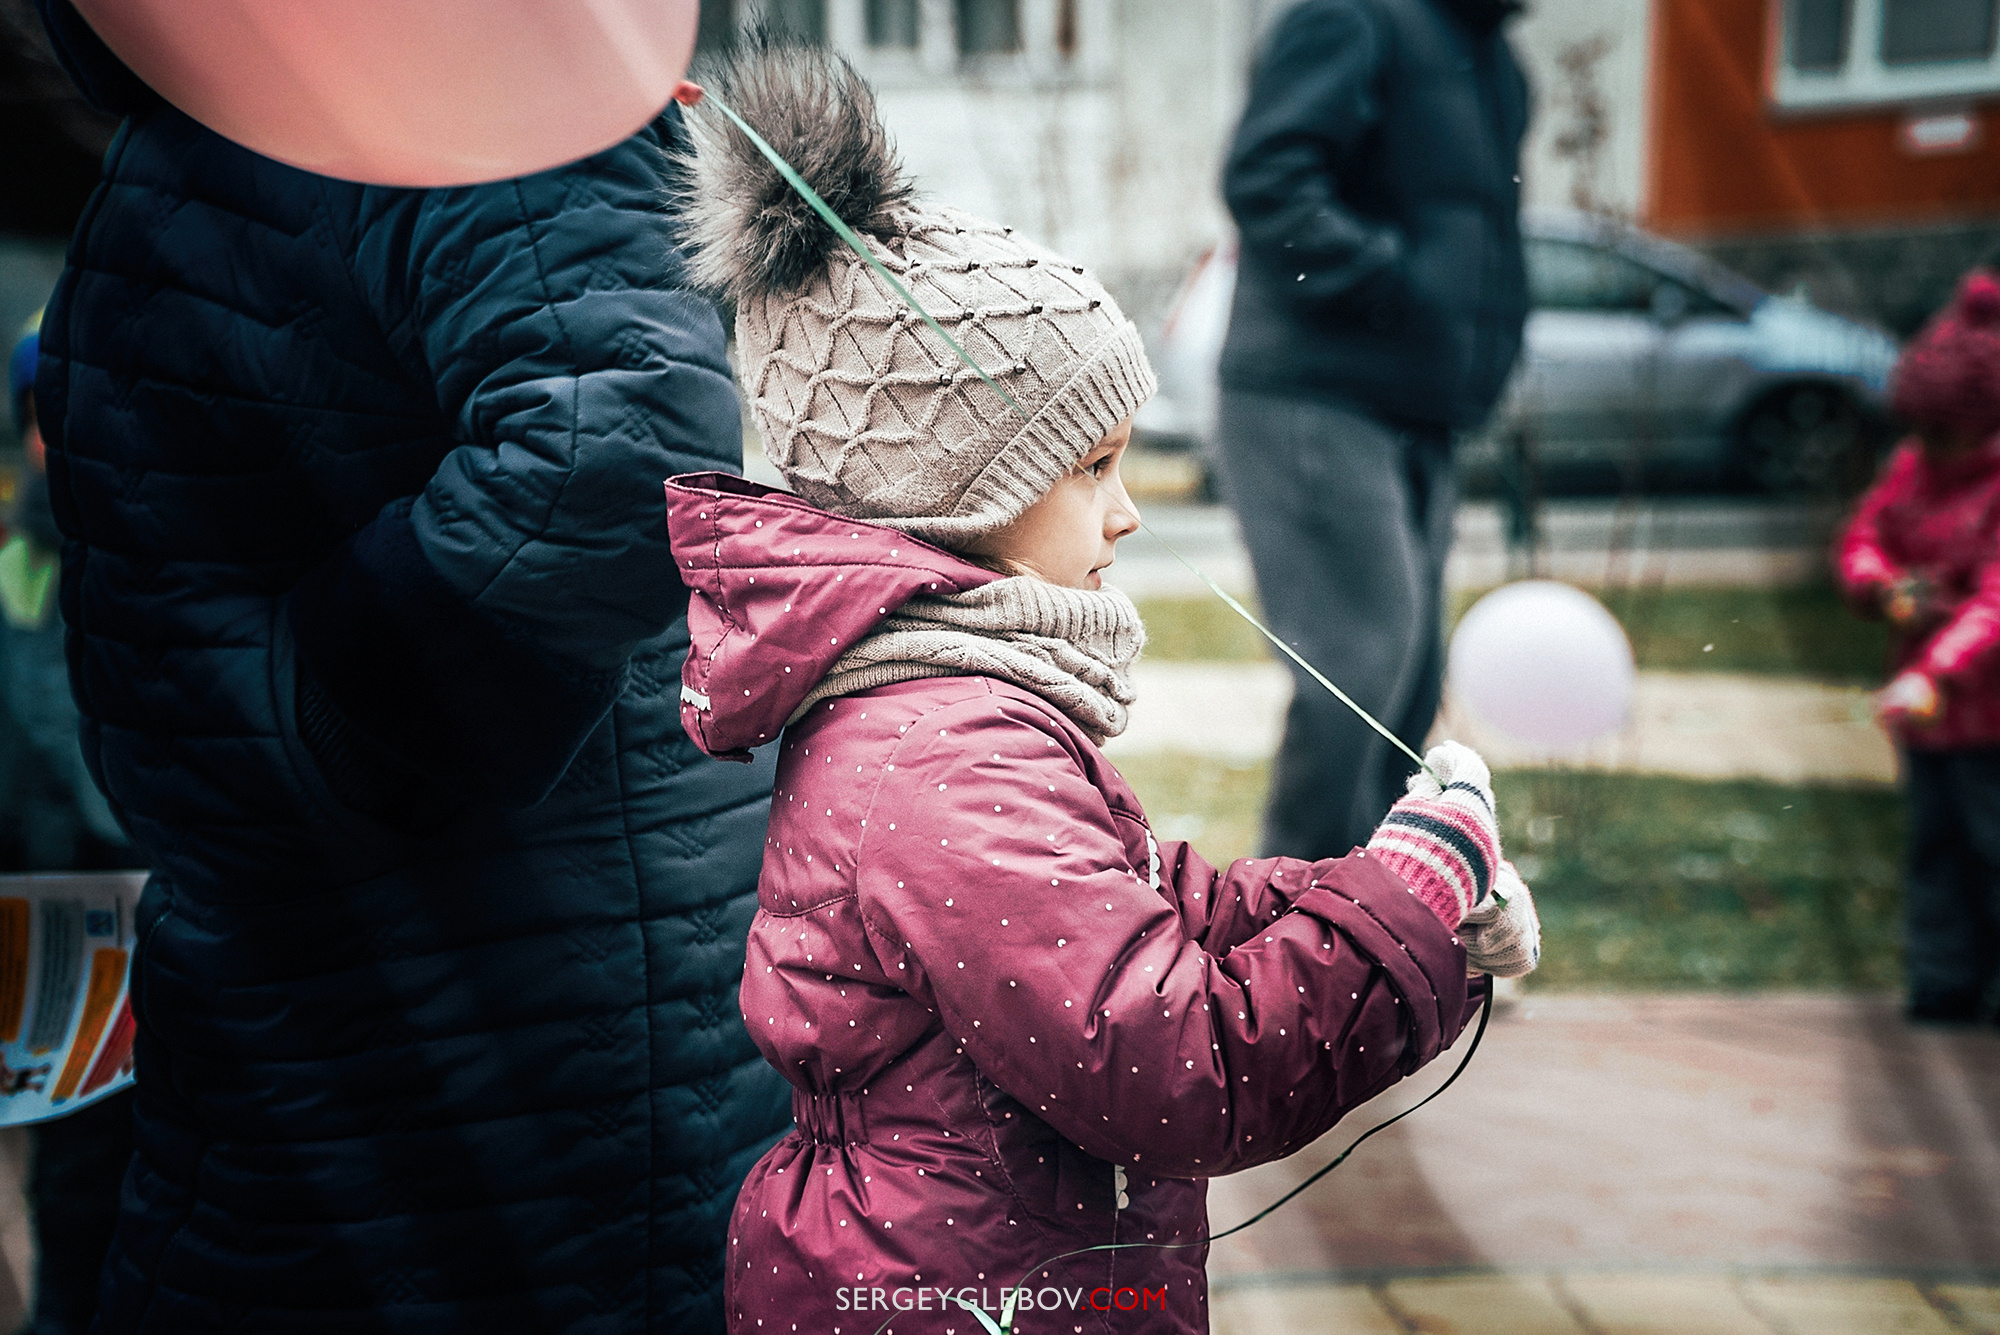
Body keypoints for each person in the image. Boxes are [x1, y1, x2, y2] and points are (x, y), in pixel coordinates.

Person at [664, 44, 1541, 1333]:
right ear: (958, 486)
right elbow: (1174, 1066)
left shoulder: (956, 708)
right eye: (1091, 467)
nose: (1126, 514)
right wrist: (1396, 909)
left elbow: (1147, 910)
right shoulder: (944, 756)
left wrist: (1411, 905)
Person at [30, 2, 789, 1328]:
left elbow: (610, 449)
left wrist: (337, 725)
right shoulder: (258, 85)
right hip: (330, 965)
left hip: (493, 997)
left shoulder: (436, 52)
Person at [1215, 0, 1531, 860]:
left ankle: (1372, 930)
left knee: (1408, 691)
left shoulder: (1493, 58)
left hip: (1419, 411)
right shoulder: (1353, 18)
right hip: (1312, 392)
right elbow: (1268, 177)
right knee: (1355, 675)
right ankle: (1296, 930)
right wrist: (1395, 288)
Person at [6, 312, 140, 1335]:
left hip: (166, 946)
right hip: (58, 968)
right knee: (79, 1199)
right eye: (44, 418)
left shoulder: (166, 555)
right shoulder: (21, 567)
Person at [1838, 269, 2000, 1028]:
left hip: (1984, 716)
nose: (1927, 446)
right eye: (1919, 429)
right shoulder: (1914, 469)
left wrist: (1938, 671)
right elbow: (1867, 536)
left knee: (1991, 849)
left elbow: (1993, 605)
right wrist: (1883, 585)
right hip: (1927, 717)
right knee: (1935, 848)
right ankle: (1943, 977)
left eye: (1943, 431)